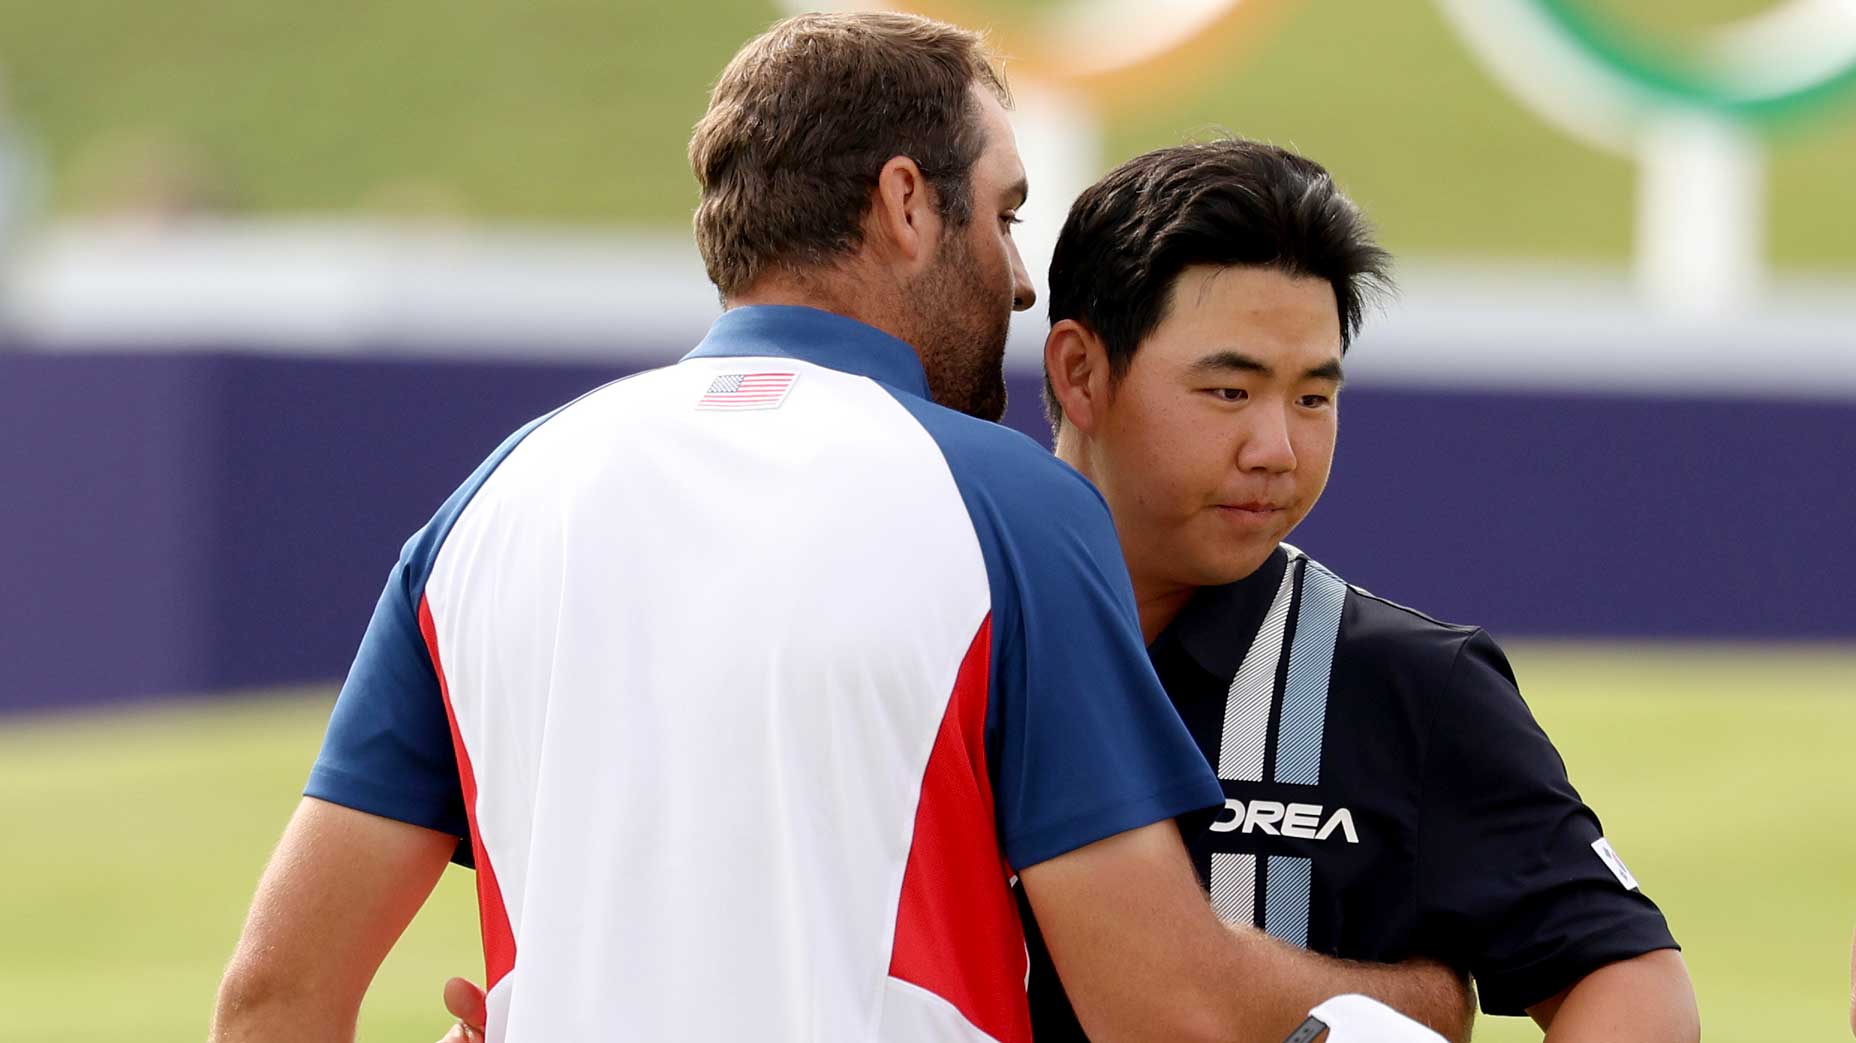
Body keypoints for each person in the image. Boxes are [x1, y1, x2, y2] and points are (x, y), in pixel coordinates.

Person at [211, 14, 1471, 1043]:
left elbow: (274, 996)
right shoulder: (1006, 507)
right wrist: (1422, 1003)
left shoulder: (493, 499)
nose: (1023, 276)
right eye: (1005, 212)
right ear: (905, 203)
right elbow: (1167, 1004)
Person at [1026, 139, 1701, 1041]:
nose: (1278, 448)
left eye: (1313, 397)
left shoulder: (1414, 683)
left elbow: (1627, 981)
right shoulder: (933, 628)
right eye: (1230, 390)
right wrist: (1401, 1002)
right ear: (1080, 373)